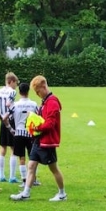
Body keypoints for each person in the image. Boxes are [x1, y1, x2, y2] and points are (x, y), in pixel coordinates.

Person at [11, 74, 66, 203]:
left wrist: (37, 128)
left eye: (38, 91)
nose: (37, 94)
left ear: (44, 86)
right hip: (39, 139)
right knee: (31, 165)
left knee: (53, 168)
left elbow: (50, 123)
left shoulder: (52, 102)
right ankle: (26, 193)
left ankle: (62, 194)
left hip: (47, 141)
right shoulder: (45, 101)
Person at [7, 80, 38, 184]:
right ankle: (33, 179)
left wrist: (11, 129)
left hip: (18, 133)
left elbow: (8, 118)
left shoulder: (15, 105)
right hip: (30, 133)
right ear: (28, 91)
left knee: (22, 158)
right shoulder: (34, 104)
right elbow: (39, 117)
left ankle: (25, 180)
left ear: (19, 92)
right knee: (33, 158)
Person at [0, 72, 18, 181]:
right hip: (10, 120)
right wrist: (10, 107)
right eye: (15, 83)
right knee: (13, 148)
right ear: (11, 81)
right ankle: (12, 177)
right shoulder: (12, 91)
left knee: (2, 148)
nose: (16, 85)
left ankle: (2, 176)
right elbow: (8, 103)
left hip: (2, 120)